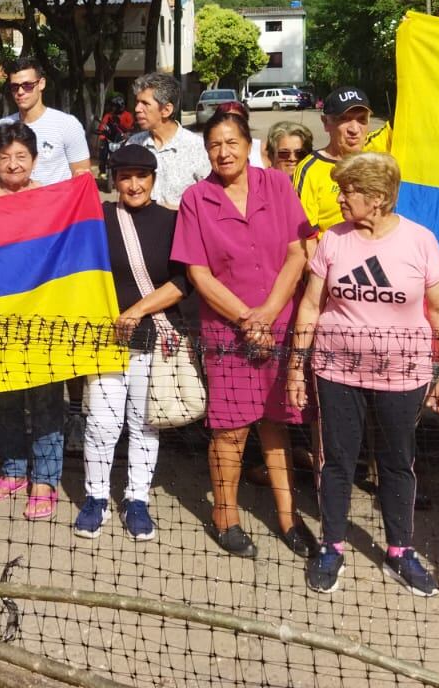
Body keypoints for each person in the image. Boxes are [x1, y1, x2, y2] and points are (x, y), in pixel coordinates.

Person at [288, 152, 439, 598]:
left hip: (404, 374)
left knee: (396, 462)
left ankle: (400, 550)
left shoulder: (420, 241)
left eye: (348, 191)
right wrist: (295, 368)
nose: (340, 198)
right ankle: (332, 546)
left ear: (379, 199)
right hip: (336, 370)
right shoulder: (333, 241)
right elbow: (310, 304)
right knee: (337, 461)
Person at [171, 108, 311, 559]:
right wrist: (247, 319)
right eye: (214, 145)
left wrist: (268, 314)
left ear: (249, 146)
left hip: (280, 324)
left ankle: (289, 518)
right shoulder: (197, 198)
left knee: (277, 424)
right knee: (230, 430)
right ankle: (225, 515)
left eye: (232, 142)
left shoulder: (279, 185)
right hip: (226, 331)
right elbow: (198, 272)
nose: (223, 151)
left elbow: (297, 254)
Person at [75, 144, 190, 541]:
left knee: (145, 424)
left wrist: (137, 311)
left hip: (153, 336)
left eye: (142, 176)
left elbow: (182, 282)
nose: (134, 184)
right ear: (114, 180)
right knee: (101, 424)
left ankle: (137, 499)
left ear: (154, 179)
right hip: (105, 339)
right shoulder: (99, 219)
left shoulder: (173, 221)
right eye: (125, 176)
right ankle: (96, 498)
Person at [0, 123, 63, 519]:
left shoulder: (51, 196)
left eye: (21, 156)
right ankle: (13, 469)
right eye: (5, 156)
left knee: (45, 400)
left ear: (35, 160)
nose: (12, 163)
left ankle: (45, 478)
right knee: (4, 397)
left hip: (41, 312)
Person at [294, 86, 381, 236]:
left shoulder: (378, 152)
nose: (354, 129)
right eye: (344, 119)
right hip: (331, 257)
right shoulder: (309, 170)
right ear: (326, 122)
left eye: (361, 120)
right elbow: (305, 238)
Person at [0, 57, 91, 185]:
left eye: (27, 85)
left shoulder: (67, 124)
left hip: (57, 203)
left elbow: (83, 179)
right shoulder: (4, 125)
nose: (20, 92)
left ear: (41, 84)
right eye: (14, 87)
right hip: (17, 203)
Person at [124, 71, 210, 208]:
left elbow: (210, 200)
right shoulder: (133, 144)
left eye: (145, 103)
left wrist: (177, 212)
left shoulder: (197, 147)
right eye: (137, 102)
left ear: (166, 110)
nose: (137, 109)